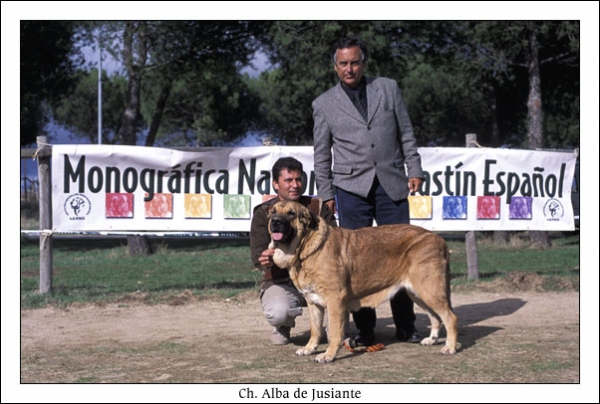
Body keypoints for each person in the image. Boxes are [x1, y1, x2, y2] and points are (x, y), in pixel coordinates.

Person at [312, 37, 424, 348]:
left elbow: (406, 133)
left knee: (401, 255)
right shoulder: (323, 104)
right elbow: (321, 154)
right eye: (343, 63)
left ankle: (406, 326)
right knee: (355, 263)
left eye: (355, 62)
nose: (349, 68)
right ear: (335, 66)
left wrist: (413, 169)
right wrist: (326, 194)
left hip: (392, 184)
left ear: (364, 62)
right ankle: (365, 331)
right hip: (350, 188)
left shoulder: (388, 88)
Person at [250, 157, 338, 345]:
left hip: (319, 278)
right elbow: (257, 256)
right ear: (275, 184)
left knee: (345, 287)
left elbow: (335, 243)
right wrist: (264, 258)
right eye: (288, 180)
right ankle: (283, 324)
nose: (295, 185)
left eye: (298, 180)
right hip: (282, 280)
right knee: (279, 312)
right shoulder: (263, 212)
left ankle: (335, 327)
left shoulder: (318, 208)